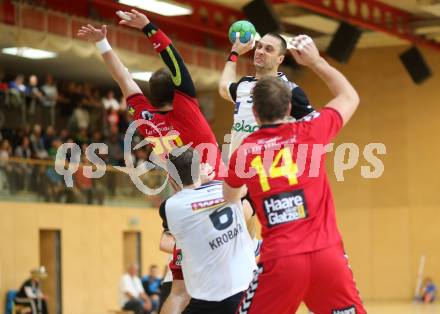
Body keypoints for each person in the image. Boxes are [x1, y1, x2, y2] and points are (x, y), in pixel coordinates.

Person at [223, 35, 366, 313]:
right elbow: (349, 96)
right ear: (289, 108)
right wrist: (315, 61)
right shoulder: (312, 131)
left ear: (254, 111)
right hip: (328, 256)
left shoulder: (245, 152)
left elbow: (228, 197)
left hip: (281, 262)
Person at [77, 10, 224, 176]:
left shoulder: (146, 119)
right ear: (176, 91)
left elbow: (123, 78)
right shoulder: (186, 108)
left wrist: (102, 42)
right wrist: (147, 26)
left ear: (152, 95)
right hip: (216, 188)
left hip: (184, 195)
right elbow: (175, 62)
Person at [160, 147, 256, 314]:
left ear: (170, 179)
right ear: (200, 168)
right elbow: (243, 190)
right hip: (246, 287)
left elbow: (188, 200)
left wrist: (198, 181)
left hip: (208, 296)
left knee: (178, 293)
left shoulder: (170, 207)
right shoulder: (227, 189)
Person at [219, 32, 315, 155]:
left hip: (269, 170)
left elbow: (313, 127)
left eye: (268, 49)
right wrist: (234, 53)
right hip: (237, 168)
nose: (260, 51)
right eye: (259, 47)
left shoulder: (290, 90)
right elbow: (224, 88)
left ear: (280, 59)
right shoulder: (244, 84)